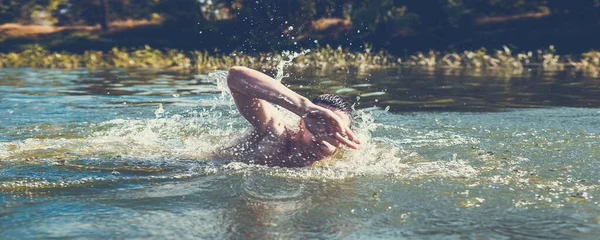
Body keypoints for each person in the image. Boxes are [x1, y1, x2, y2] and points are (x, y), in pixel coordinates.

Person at [220, 66, 360, 167]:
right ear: (301, 124)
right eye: (321, 124)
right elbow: (236, 76)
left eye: (334, 128)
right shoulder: (277, 133)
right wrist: (306, 108)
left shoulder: (345, 164)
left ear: (346, 137)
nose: (322, 133)